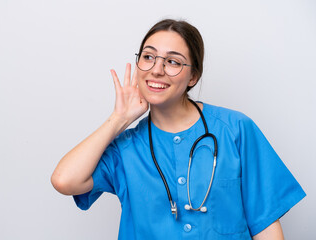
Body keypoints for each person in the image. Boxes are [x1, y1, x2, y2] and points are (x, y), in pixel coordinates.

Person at [51, 19, 306, 240]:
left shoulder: (235, 130)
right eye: (148, 57)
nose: (157, 70)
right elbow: (64, 180)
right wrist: (118, 119)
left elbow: (266, 225)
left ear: (193, 76)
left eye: (173, 61)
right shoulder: (125, 149)